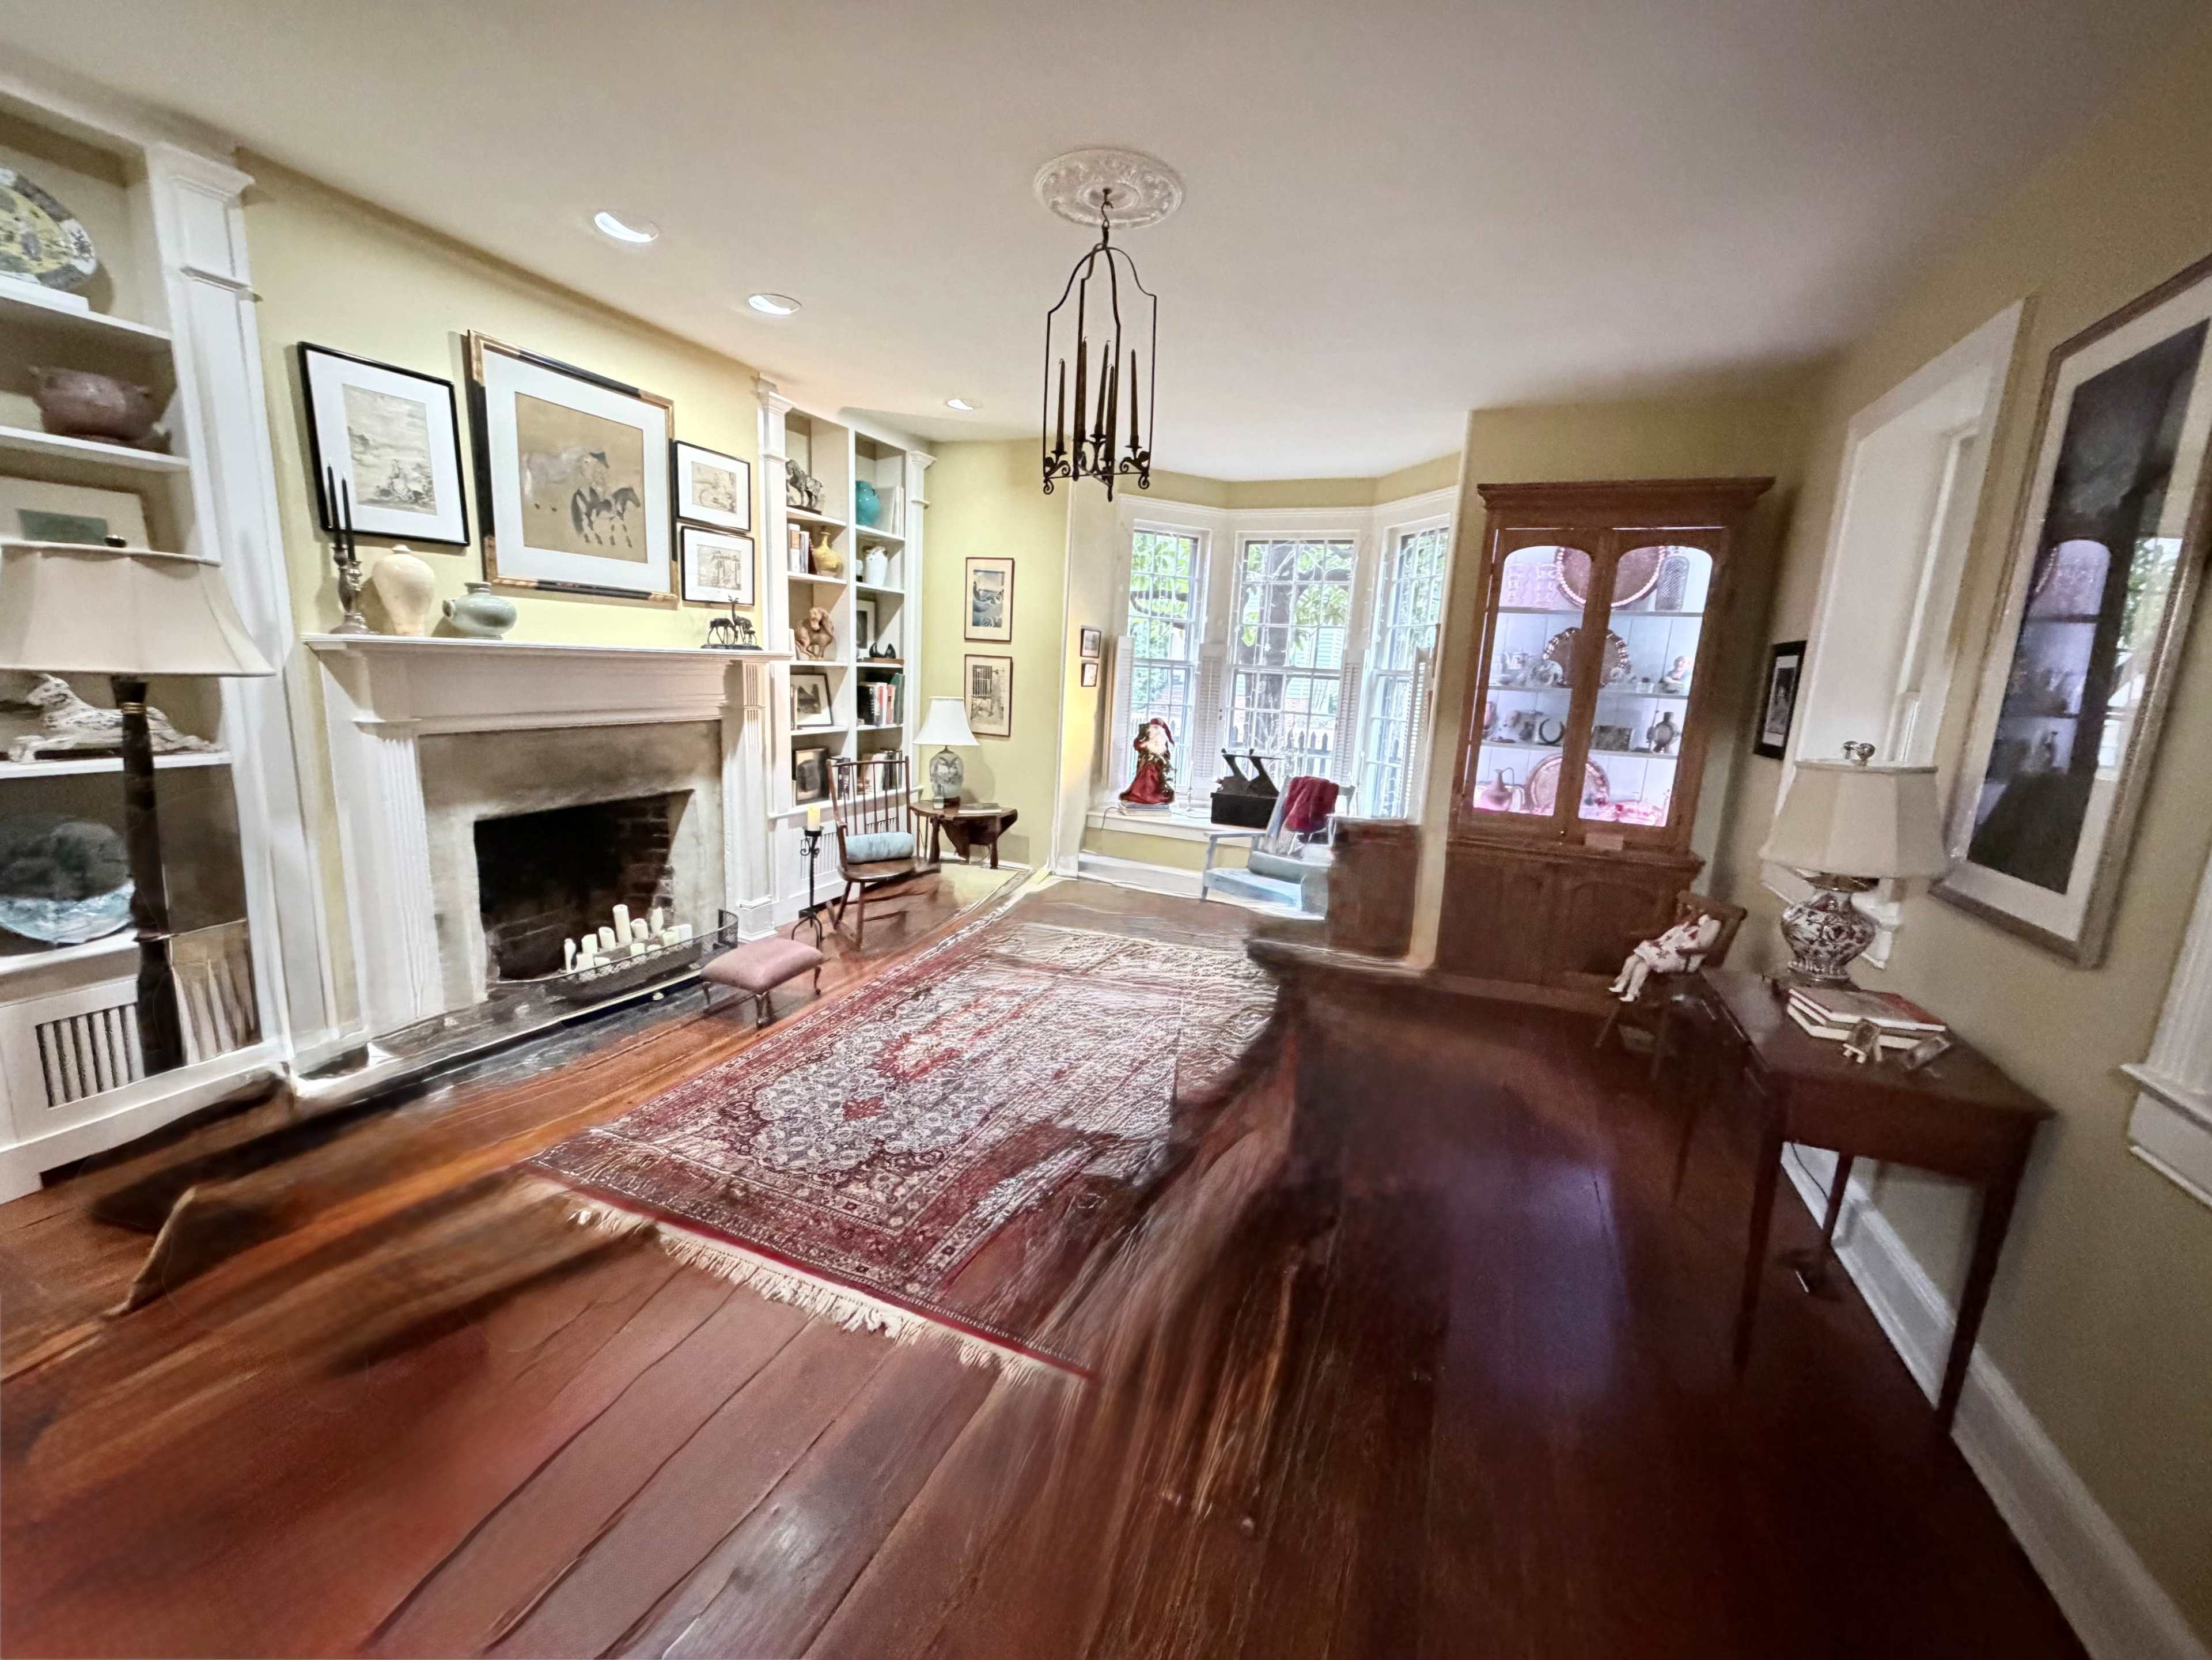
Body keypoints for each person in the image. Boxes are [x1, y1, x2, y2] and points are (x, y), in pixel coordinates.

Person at [1609, 910, 1723, 1002]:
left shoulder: (1699, 937)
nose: (1701, 921)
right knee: (1636, 959)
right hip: (1667, 950)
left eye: (1705, 920)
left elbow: (1691, 946)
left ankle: (1629, 989)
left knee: (1643, 959)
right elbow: (1671, 936)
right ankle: (1625, 986)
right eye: (1701, 918)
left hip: (1679, 958)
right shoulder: (1688, 928)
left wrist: (1677, 946)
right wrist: (1665, 942)